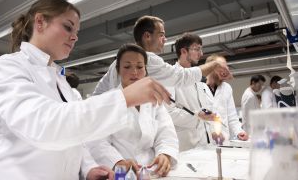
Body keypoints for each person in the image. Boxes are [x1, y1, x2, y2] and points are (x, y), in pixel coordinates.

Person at [0, 0, 171, 180]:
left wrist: (88, 168)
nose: (75, 37)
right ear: (40, 22)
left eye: (77, 31)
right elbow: (44, 125)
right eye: (68, 27)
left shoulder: (60, 80)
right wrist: (124, 98)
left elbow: (76, 140)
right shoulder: (9, 67)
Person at [87, 44, 178, 177]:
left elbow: (166, 131)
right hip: (121, 173)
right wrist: (118, 161)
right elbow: (97, 141)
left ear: (145, 70)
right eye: (127, 66)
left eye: (140, 67)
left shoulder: (154, 101)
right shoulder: (107, 101)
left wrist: (165, 154)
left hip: (152, 169)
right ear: (118, 70)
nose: (134, 72)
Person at [93, 15, 232, 95]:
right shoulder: (148, 59)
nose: (165, 39)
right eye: (161, 35)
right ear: (147, 36)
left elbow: (98, 93)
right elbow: (181, 77)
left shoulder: (115, 63)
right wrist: (214, 64)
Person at [165, 33, 217, 151]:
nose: (201, 53)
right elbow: (169, 113)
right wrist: (197, 116)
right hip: (186, 147)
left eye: (201, 49)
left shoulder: (198, 80)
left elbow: (202, 111)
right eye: (197, 49)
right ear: (183, 51)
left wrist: (212, 128)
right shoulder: (171, 77)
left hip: (206, 144)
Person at [201, 54, 248, 144]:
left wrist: (239, 131)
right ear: (210, 67)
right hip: (205, 140)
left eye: (226, 66)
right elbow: (198, 112)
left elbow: (232, 116)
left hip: (224, 139)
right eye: (221, 66)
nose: (225, 70)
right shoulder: (198, 87)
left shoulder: (227, 88)